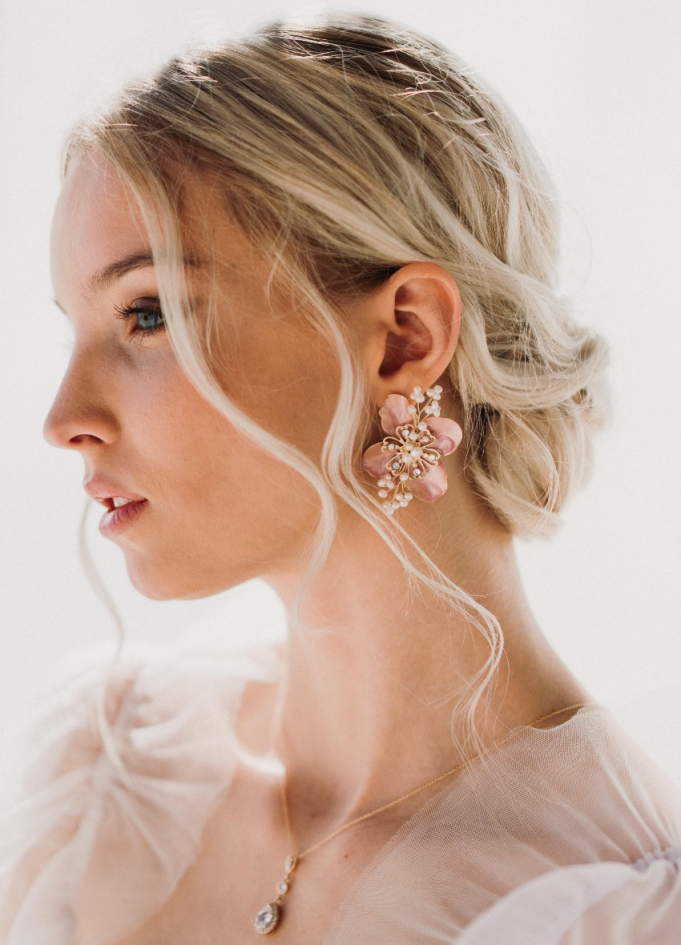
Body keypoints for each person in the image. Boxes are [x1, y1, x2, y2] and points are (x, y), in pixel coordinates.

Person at [1, 12, 680, 944]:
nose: (62, 420)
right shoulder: (111, 763)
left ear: (405, 337)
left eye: (147, 314)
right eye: (78, 329)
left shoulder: (605, 906)